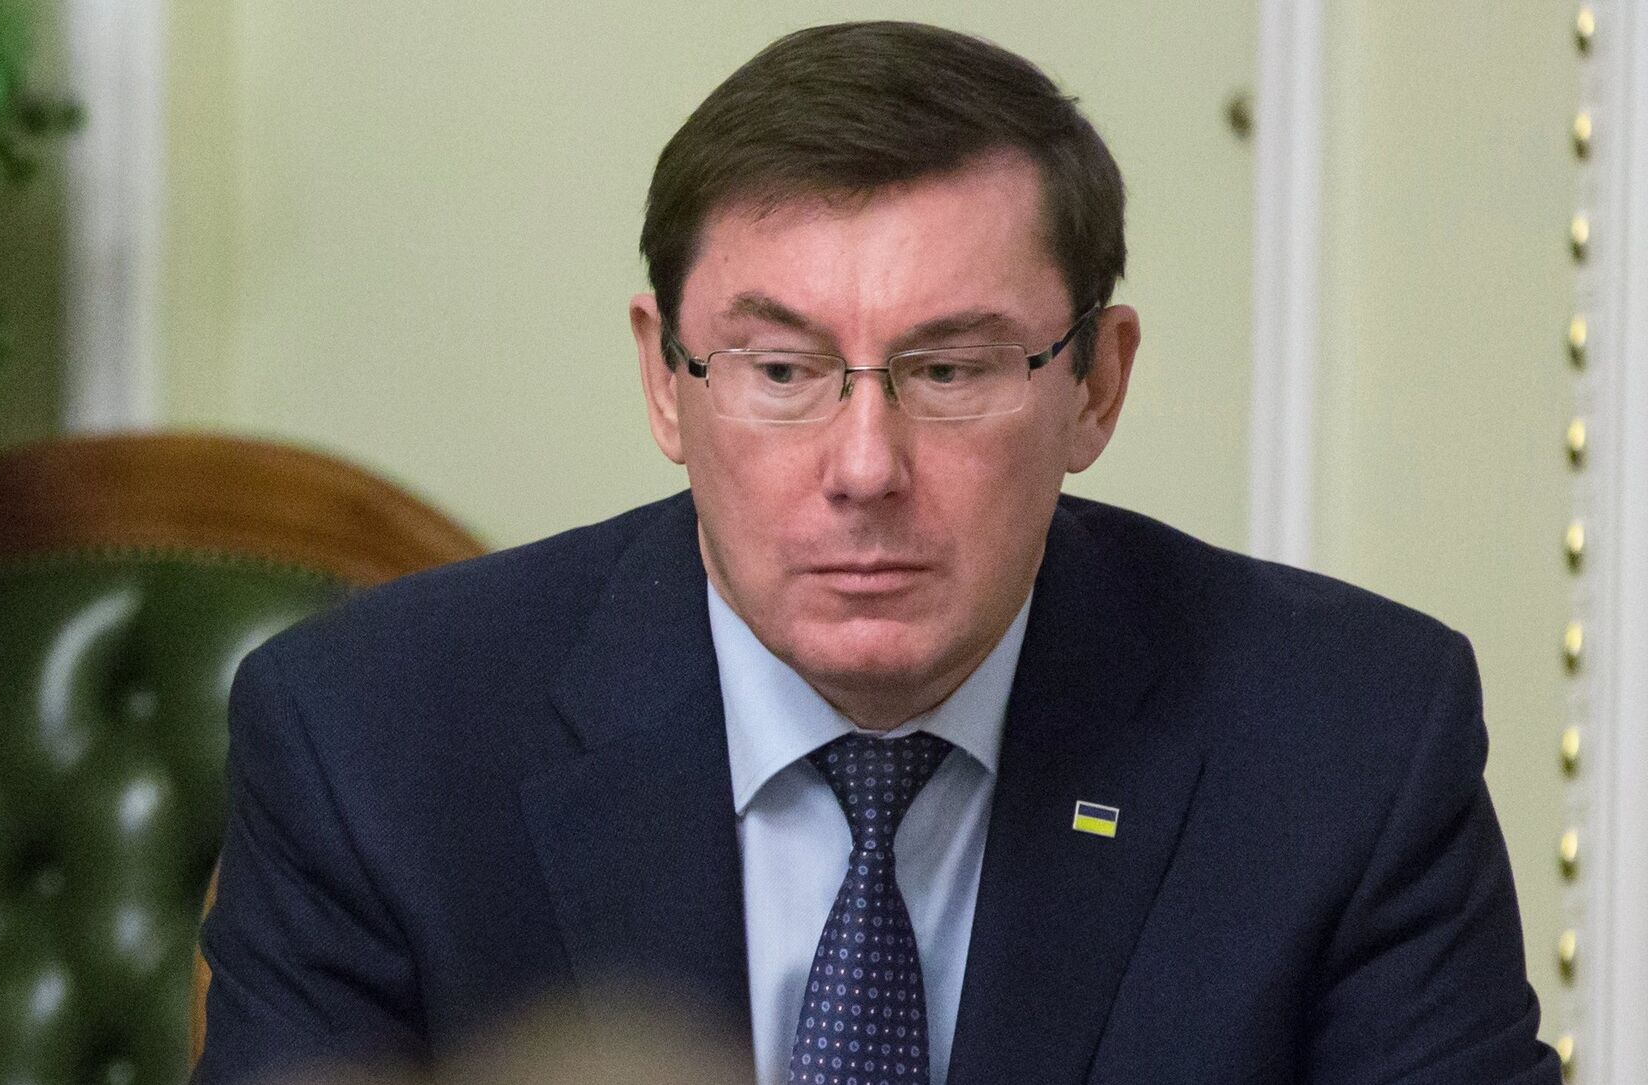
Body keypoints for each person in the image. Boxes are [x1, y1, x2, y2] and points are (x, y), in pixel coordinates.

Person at [193, 20, 1561, 1085]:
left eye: (952, 369)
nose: (864, 467)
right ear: (665, 382)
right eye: (782, 370)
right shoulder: (371, 744)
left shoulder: (1348, 743)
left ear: (1097, 384)